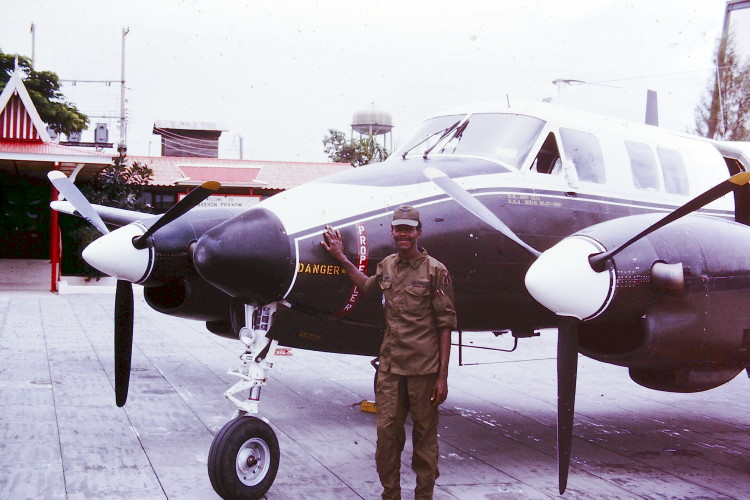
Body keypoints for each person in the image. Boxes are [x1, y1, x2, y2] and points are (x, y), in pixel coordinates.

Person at [321, 205, 457, 500]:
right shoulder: (387, 266)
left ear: (419, 232)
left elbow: (446, 325)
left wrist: (442, 377)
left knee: (424, 441)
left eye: (409, 228)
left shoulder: (436, 270)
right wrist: (341, 257)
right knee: (386, 439)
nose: (403, 234)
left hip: (423, 371)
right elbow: (368, 287)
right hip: (391, 370)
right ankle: (390, 495)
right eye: (398, 228)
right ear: (392, 232)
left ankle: (424, 496)